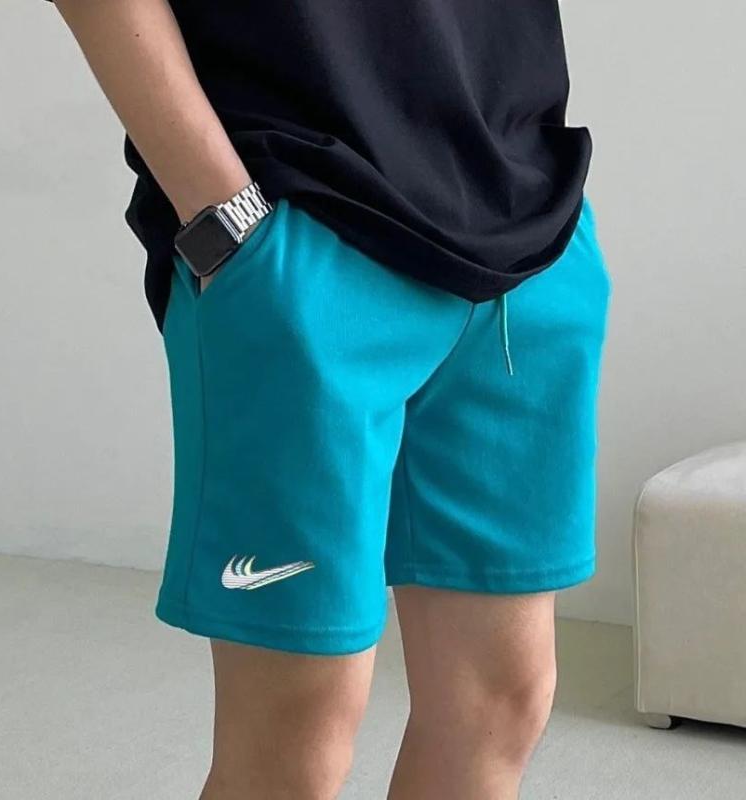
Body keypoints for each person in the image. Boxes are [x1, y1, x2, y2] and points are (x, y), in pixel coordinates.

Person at [43, 1, 611, 797]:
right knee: (293, 739)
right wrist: (225, 216)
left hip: (525, 229)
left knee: (499, 703)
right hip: (303, 230)